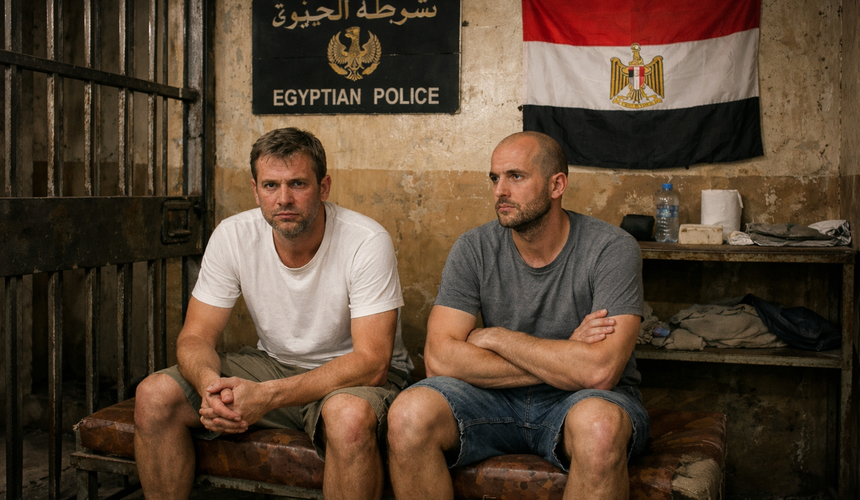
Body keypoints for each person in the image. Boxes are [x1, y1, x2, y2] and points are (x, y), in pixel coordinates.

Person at [134, 127, 413, 500]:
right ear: (255, 190)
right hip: (274, 365)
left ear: (324, 187)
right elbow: (196, 336)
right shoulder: (233, 235)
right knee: (154, 395)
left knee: (349, 419)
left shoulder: (365, 240)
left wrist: (266, 396)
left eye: (298, 184)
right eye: (270, 185)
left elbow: (372, 363)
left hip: (350, 377)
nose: (284, 199)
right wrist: (208, 387)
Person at [387, 131, 649, 500]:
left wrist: (496, 337)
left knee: (600, 428)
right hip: (492, 397)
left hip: (582, 399)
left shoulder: (611, 248)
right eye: (495, 178)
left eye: (516, 176)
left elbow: (598, 371)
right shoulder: (474, 247)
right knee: (408, 414)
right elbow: (439, 359)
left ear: (557, 185)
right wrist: (566, 355)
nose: (500, 191)